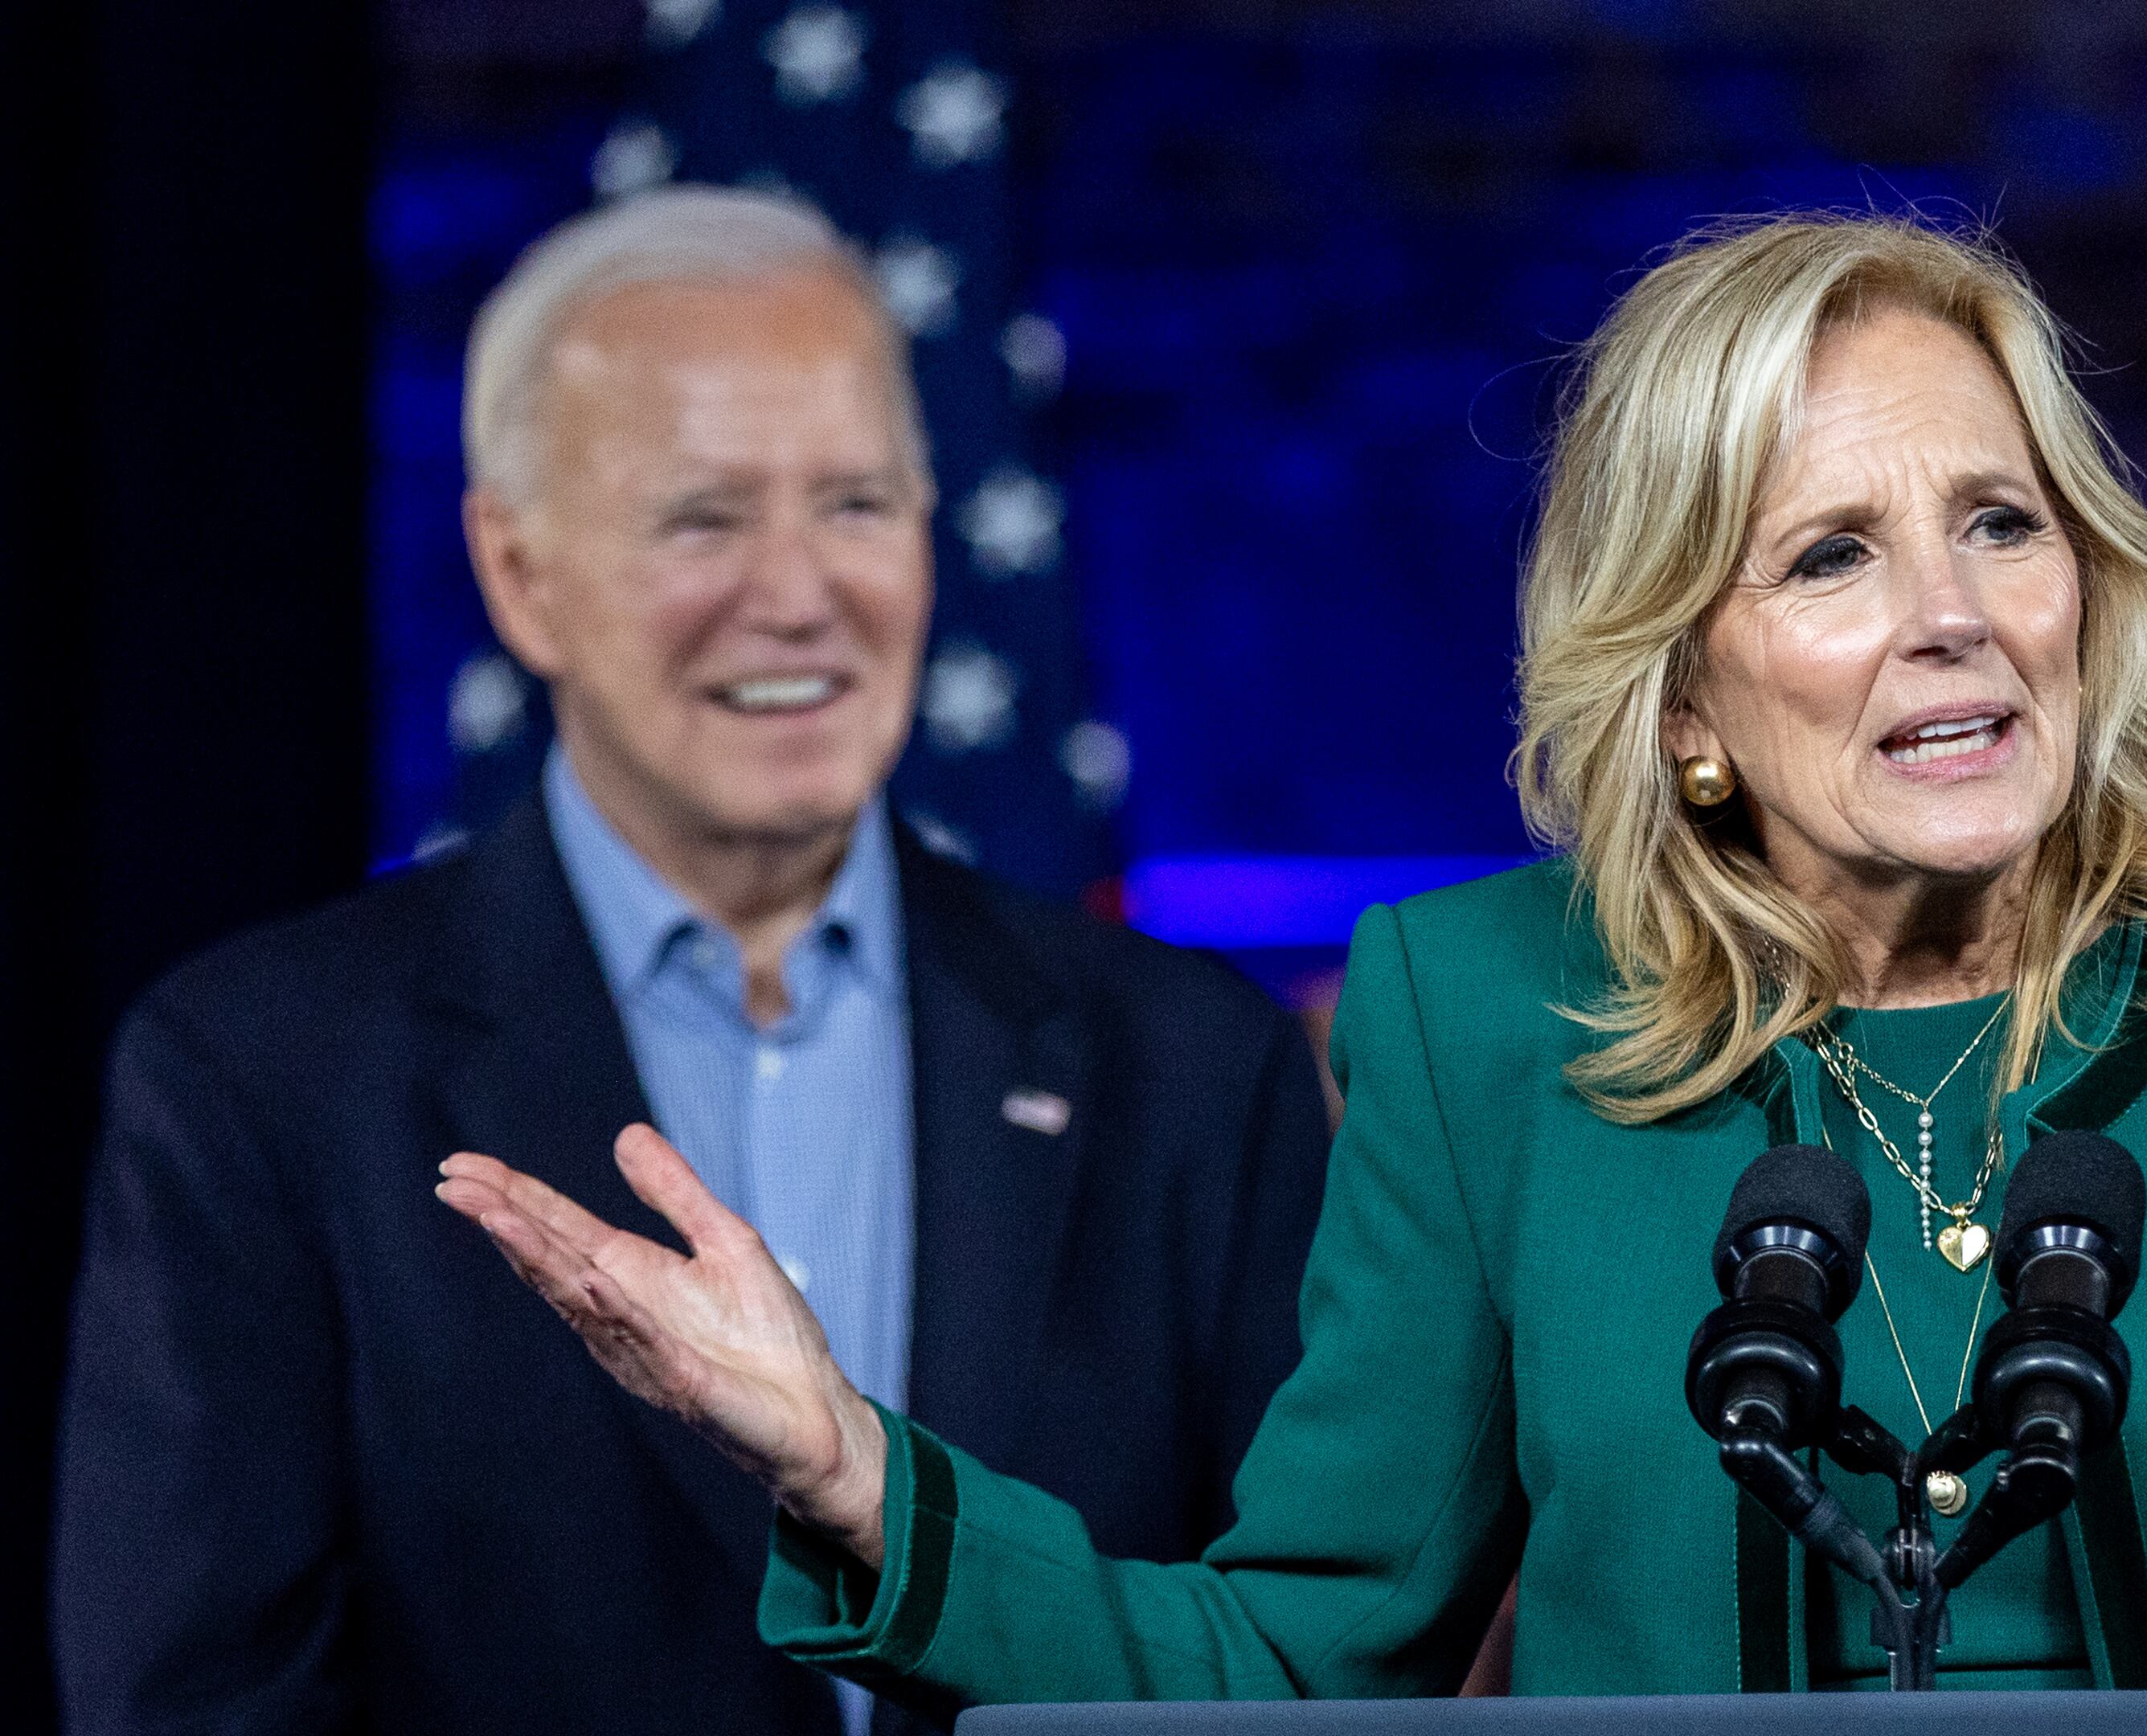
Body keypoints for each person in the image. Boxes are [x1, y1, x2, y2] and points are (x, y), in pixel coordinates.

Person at [438, 211, 2147, 1707]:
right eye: (1831, 556)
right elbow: (1302, 1654)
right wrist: (861, 1473)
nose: (1955, 613)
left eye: (2000, 521)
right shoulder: (1486, 1028)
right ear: (1685, 698)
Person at [55, 186, 1333, 1736]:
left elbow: (1298, 1667)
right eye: (703, 518)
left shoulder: (1195, 1067)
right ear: (520, 572)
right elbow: (198, 1703)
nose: (797, 595)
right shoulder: (259, 1078)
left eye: (856, 504)